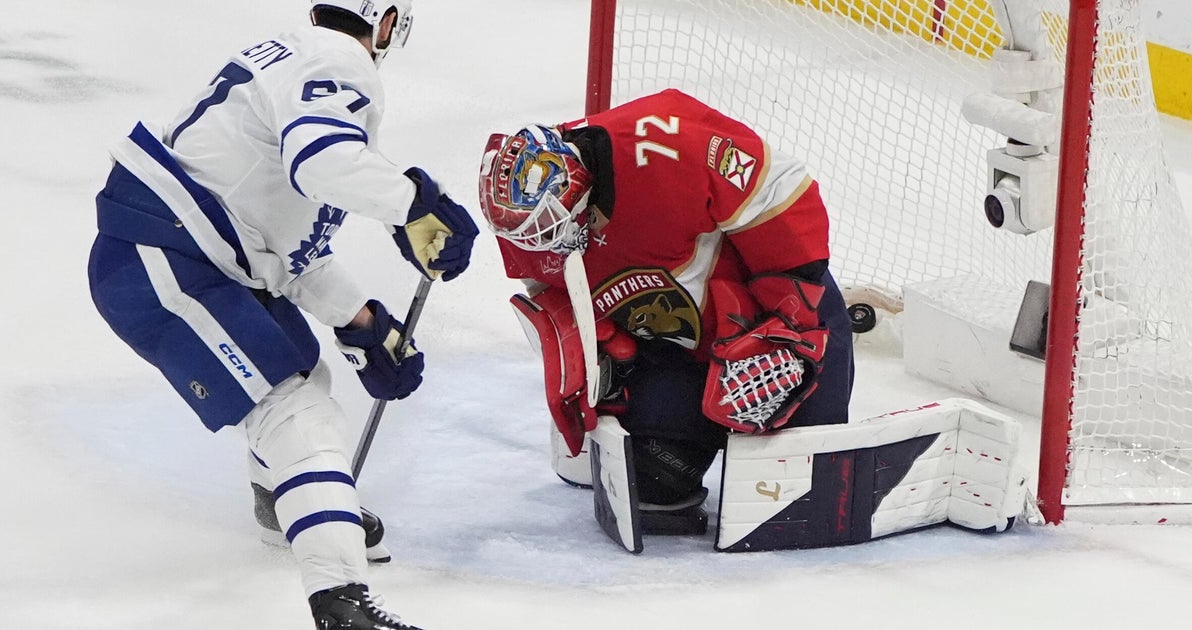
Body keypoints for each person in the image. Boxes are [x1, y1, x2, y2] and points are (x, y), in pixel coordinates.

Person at [87, 1, 479, 628]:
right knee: (293, 409)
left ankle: (289, 507)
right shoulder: (339, 58)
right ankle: (340, 599)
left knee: (302, 377)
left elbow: (286, 245)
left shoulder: (292, 55)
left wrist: (361, 321)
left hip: (189, 253)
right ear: (383, 19)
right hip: (166, 256)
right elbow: (323, 164)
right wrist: (413, 202)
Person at [478, 88, 855, 536]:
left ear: (580, 187)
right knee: (652, 486)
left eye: (556, 229)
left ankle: (803, 398)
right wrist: (600, 352)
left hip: (767, 322)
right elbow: (549, 292)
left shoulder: (664, 140)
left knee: (803, 488)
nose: (551, 245)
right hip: (676, 351)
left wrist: (786, 323)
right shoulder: (524, 220)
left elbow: (781, 191)